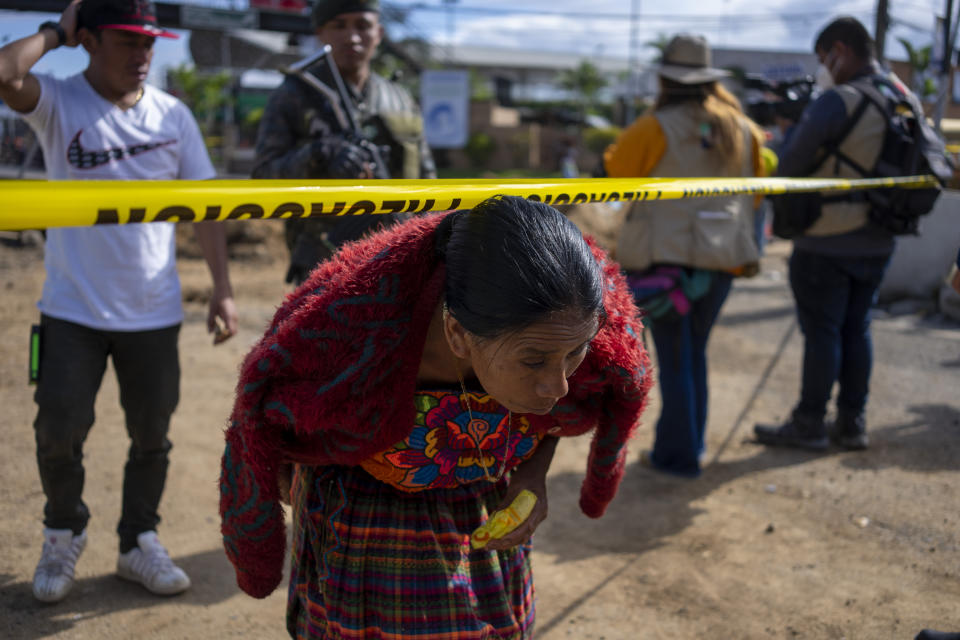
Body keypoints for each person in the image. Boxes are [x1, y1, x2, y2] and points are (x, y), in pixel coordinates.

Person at [219, 196, 651, 638]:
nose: (559, 385)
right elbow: (261, 424)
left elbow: (572, 401)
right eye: (534, 360)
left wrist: (532, 477)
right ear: (457, 335)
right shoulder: (346, 341)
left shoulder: (574, 317)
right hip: (367, 528)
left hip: (483, 514)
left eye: (573, 354)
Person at [0, 0, 238, 603]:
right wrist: (56, 29)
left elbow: (207, 208)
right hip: (72, 308)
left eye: (149, 42)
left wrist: (223, 288)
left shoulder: (172, 115)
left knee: (152, 435)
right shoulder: (59, 102)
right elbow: (5, 73)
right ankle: (62, 532)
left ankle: (138, 542)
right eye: (128, 41)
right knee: (57, 429)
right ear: (91, 40)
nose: (144, 55)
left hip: (153, 311)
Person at [602, 34, 765, 478]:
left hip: (664, 263)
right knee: (694, 354)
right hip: (723, 259)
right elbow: (759, 187)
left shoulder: (655, 126)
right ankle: (688, 445)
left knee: (676, 359)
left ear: (666, 78)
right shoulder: (744, 127)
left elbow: (617, 170)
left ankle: (677, 457)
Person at [754, 17, 906, 452]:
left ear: (839, 50)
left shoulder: (838, 100)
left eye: (824, 59)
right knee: (857, 329)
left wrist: (790, 131)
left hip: (827, 239)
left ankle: (809, 423)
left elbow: (789, 166)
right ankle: (852, 423)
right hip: (880, 238)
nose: (824, 68)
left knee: (823, 333)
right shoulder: (900, 95)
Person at [252, 0, 436, 285]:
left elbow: (427, 180)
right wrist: (318, 154)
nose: (352, 37)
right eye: (339, 26)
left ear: (379, 33)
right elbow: (263, 176)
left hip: (399, 254)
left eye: (363, 26)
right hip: (323, 260)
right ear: (320, 33)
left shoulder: (399, 98)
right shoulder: (295, 94)